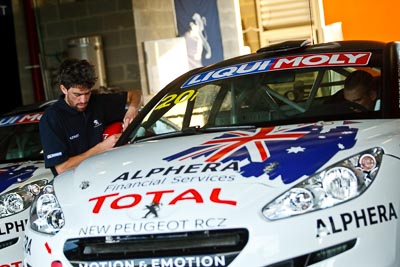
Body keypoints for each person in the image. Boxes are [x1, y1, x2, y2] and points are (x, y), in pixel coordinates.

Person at [39, 58, 142, 176]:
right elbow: (62, 168)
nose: (83, 100)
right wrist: (101, 148)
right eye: (77, 94)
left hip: (110, 175)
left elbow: (136, 94)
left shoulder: (98, 102)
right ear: (64, 89)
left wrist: (132, 109)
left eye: (87, 93)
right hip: (77, 184)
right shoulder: (52, 118)